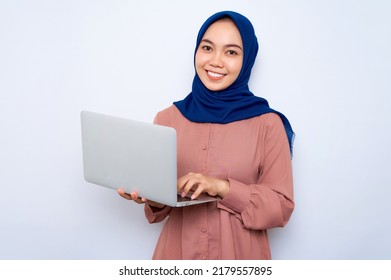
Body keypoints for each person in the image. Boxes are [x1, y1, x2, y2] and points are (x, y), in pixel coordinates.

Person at [117, 10, 295, 260]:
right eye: (208, 48)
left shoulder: (268, 123)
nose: (216, 61)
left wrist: (222, 188)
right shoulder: (168, 119)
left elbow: (281, 207)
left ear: (247, 60)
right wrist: (151, 198)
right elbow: (163, 205)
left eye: (231, 52)